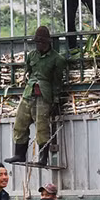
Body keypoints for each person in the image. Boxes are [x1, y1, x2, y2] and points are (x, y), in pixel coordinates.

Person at [5, 25, 68, 166]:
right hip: (29, 93)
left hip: (44, 96)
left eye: (40, 42)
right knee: (19, 123)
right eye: (37, 42)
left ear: (46, 43)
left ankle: (43, 158)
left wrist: (56, 100)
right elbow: (28, 72)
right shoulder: (32, 56)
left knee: (42, 127)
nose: (38, 45)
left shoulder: (57, 59)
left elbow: (57, 82)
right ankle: (19, 154)